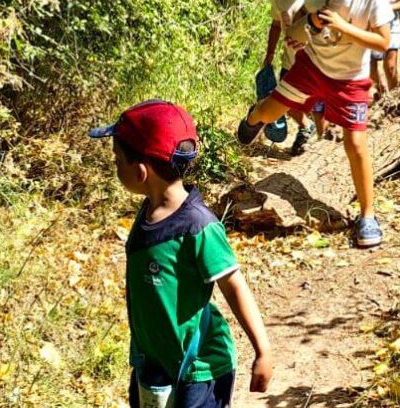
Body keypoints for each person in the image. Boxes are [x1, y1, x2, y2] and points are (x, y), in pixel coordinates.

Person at [89, 100, 273, 407]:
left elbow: (234, 285)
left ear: (140, 171)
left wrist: (263, 350)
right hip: (154, 363)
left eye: (116, 160)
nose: (115, 167)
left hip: (199, 369)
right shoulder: (149, 211)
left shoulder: (199, 226)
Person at [237, 0, 394, 248]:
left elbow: (383, 41)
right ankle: (254, 117)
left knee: (356, 143)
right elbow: (294, 28)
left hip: (350, 77)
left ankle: (368, 216)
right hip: (311, 67)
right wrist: (311, 26)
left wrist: (340, 25)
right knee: (271, 110)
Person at [263, 0, 320, 155]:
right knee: (285, 101)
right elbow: (276, 25)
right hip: (290, 60)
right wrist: (269, 54)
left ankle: (320, 132)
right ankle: (307, 127)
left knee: (315, 101)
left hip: (315, 61)